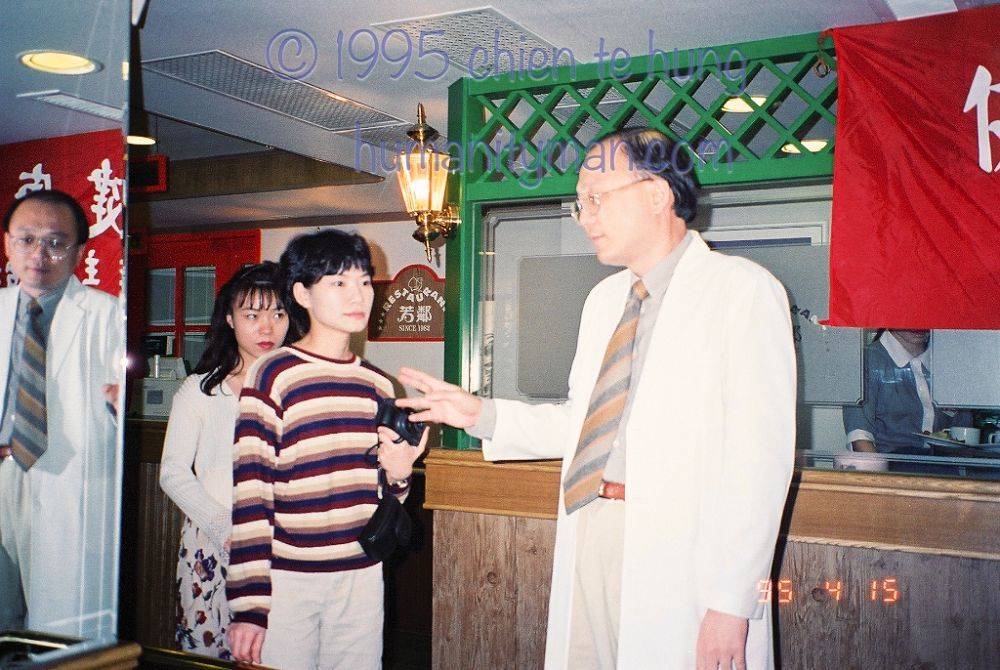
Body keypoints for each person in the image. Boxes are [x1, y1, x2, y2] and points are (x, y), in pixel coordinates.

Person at [398, 128, 796, 669]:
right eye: (579, 203)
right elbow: (585, 425)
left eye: (595, 198)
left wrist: (732, 603)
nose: (583, 216)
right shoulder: (605, 299)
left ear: (656, 194)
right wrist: (481, 414)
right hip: (592, 524)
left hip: (685, 549)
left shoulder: (742, 290)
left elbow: (760, 463)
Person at [226, 229, 427, 669]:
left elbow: (388, 496)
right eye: (338, 282)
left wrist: (399, 475)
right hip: (289, 578)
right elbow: (252, 493)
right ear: (302, 294)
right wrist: (249, 605)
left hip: (361, 575)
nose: (358, 294)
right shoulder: (273, 374)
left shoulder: (378, 384)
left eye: (364, 281)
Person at [0, 189, 123, 637]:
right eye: (26, 239)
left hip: (68, 477)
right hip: (3, 474)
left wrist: (120, 406)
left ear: (79, 251)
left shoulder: (109, 316)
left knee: (57, 631)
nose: (39, 254)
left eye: (55, 242)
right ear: (7, 244)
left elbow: (122, 410)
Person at [159, 262, 291, 658]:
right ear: (230, 319)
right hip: (213, 537)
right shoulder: (201, 390)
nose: (267, 328)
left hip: (281, 540)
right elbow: (172, 472)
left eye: (278, 314)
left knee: (277, 651)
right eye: (252, 315)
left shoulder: (297, 388)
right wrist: (225, 527)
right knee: (210, 648)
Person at [843, 328, 973, 455]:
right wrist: (881, 470)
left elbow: (964, 438)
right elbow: (860, 439)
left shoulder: (949, 363)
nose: (919, 324)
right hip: (890, 464)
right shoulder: (866, 361)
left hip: (944, 465)